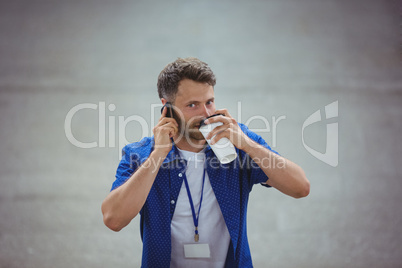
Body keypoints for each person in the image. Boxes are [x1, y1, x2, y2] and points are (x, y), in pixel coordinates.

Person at [101, 57, 310, 267]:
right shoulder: (141, 154)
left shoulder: (237, 142)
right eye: (193, 105)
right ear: (167, 108)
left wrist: (247, 144)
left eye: (209, 102)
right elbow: (113, 219)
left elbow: (300, 187)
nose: (206, 114)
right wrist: (157, 156)